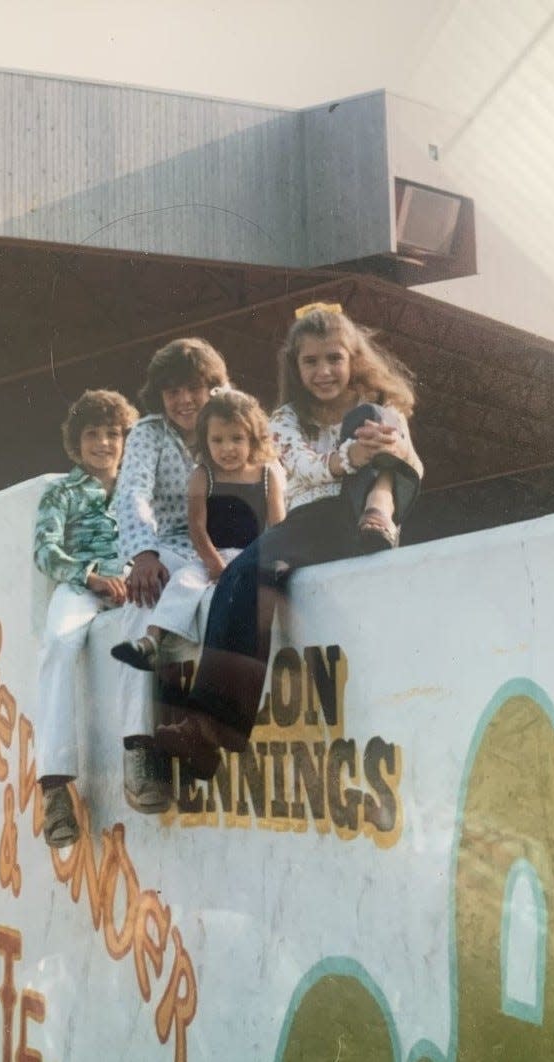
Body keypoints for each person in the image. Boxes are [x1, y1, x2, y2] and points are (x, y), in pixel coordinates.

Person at [155, 302, 424, 778]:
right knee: (242, 574)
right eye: (311, 361)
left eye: (334, 358)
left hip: (364, 514)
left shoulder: (382, 407)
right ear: (295, 367)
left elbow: (412, 468)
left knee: (373, 423)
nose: (323, 371)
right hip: (313, 523)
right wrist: (352, 455)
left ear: (353, 358)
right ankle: (213, 728)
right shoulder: (283, 419)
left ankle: (378, 512)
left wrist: (386, 447)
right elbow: (303, 469)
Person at [113, 337, 229, 811]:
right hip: (167, 546)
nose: (184, 401)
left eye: (195, 389)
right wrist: (142, 552)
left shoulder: (231, 422)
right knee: (145, 601)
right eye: (172, 391)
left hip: (222, 544)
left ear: (214, 387)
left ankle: (199, 734)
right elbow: (133, 492)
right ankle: (139, 749)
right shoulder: (148, 433)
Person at [111, 388, 285, 668]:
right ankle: (151, 641)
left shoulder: (267, 476)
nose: (227, 448)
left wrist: (266, 561)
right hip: (211, 557)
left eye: (236, 439)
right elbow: (197, 528)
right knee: (183, 583)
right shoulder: (202, 476)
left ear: (253, 438)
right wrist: (215, 565)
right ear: (205, 441)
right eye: (217, 440)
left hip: (252, 556)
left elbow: (277, 527)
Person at [33, 388, 138, 847]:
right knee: (59, 644)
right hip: (82, 586)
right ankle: (55, 787)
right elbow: (46, 550)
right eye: (92, 435)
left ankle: (141, 759)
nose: (103, 444)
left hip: (136, 584)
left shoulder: (140, 486)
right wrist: (91, 576)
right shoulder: (63, 492)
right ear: (77, 443)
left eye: (112, 434)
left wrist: (137, 575)